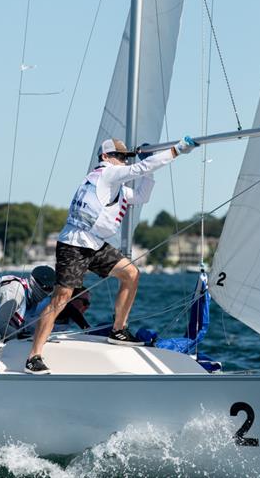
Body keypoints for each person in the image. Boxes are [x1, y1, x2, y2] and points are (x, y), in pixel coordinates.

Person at [25, 136, 196, 374]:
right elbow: (139, 168)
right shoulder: (105, 174)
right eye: (118, 156)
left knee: (131, 273)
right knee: (61, 298)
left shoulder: (116, 185)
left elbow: (142, 196)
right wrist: (176, 150)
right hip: (74, 242)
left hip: (95, 243)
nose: (122, 161)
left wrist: (148, 170)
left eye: (125, 157)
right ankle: (34, 356)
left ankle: (118, 329)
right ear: (105, 157)